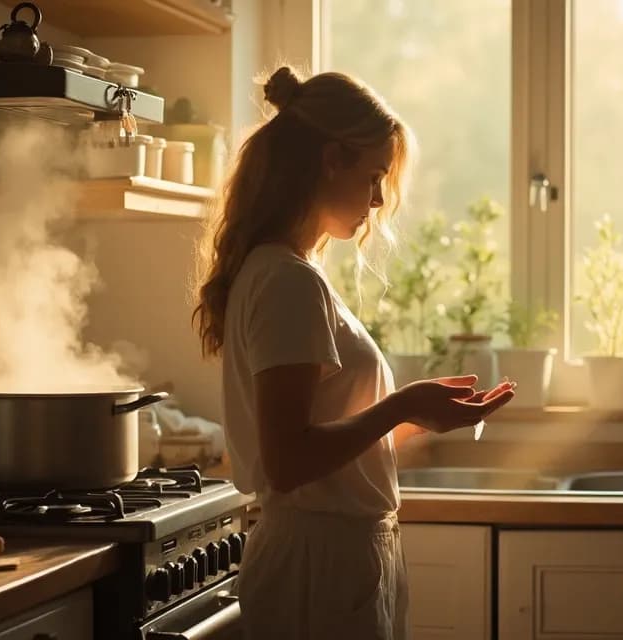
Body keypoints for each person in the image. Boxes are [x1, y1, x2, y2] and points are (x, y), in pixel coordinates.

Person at [192, 66, 514, 639]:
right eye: (372, 177)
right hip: (318, 562)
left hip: (335, 556)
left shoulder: (290, 273)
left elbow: (328, 437)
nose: (375, 200)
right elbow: (289, 460)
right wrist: (400, 404)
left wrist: (419, 417)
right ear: (330, 159)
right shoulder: (288, 281)